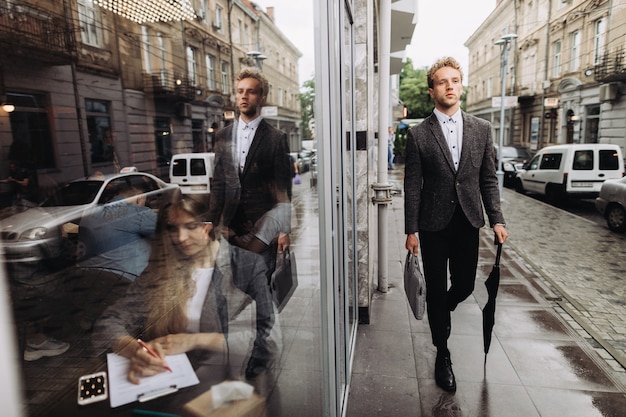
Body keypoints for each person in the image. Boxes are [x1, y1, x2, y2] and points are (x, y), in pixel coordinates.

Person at [91, 192, 276, 384]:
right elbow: (110, 321)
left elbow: (269, 341)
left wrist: (194, 340)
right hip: (166, 379)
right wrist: (133, 348)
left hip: (225, 381)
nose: (180, 237)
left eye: (190, 226)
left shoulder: (245, 266)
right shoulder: (162, 269)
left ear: (208, 227)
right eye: (172, 228)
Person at [403, 57, 508, 392]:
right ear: (432, 90)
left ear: (461, 85)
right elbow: (412, 185)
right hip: (432, 225)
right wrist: (410, 230)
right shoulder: (419, 134)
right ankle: (442, 353)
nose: (450, 86)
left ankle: (441, 309)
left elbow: (488, 180)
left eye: (455, 80)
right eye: (443, 82)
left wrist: (497, 219)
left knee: (463, 286)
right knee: (435, 286)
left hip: (468, 221)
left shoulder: (482, 129)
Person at [207, 67, 292, 378]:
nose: (244, 96)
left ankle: (261, 348)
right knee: (232, 286)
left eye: (251, 91)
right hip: (230, 228)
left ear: (262, 97)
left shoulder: (275, 138)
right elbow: (218, 183)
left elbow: (284, 186)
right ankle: (228, 340)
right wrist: (210, 221)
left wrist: (283, 230)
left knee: (261, 289)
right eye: (240, 90)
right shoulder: (222, 136)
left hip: (262, 228)